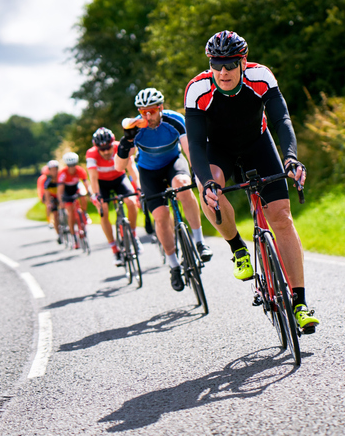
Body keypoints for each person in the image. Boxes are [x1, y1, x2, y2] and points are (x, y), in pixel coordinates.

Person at [184, 30, 319, 332]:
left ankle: (299, 303)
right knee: (212, 192)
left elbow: (282, 120)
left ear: (243, 62)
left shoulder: (261, 77)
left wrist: (291, 158)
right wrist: (206, 183)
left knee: (281, 217)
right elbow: (194, 144)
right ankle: (237, 248)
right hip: (218, 149)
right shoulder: (197, 89)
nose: (223, 72)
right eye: (216, 65)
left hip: (258, 143)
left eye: (230, 65)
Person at [115, 87, 213, 293]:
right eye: (143, 112)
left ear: (160, 107)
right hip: (148, 171)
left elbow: (189, 149)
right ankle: (173, 266)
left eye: (151, 111)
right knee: (160, 215)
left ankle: (199, 241)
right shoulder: (136, 127)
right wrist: (126, 142)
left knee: (182, 183)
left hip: (173, 163)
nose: (147, 116)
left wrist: (198, 173)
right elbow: (119, 166)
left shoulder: (174, 120)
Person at [86, 127, 142, 266]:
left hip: (119, 179)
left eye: (108, 148)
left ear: (112, 144)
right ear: (96, 147)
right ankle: (114, 249)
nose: (105, 151)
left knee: (131, 201)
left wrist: (139, 187)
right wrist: (97, 195)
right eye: (102, 149)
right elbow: (93, 177)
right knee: (103, 210)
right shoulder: (91, 154)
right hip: (102, 183)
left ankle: (133, 236)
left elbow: (132, 169)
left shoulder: (120, 146)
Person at [57, 152, 91, 250]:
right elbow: (60, 190)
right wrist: (61, 200)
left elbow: (85, 183)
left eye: (73, 165)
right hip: (67, 191)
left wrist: (89, 193)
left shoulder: (80, 170)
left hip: (76, 187)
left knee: (83, 196)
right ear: (67, 165)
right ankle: (74, 238)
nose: (72, 168)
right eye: (69, 166)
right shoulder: (63, 173)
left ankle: (84, 212)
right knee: (70, 214)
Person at [43, 160, 62, 243]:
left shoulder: (61, 177)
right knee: (55, 214)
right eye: (52, 170)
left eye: (56, 169)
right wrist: (48, 204)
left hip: (62, 196)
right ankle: (58, 234)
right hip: (53, 198)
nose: (54, 171)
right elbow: (47, 194)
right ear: (49, 171)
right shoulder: (48, 182)